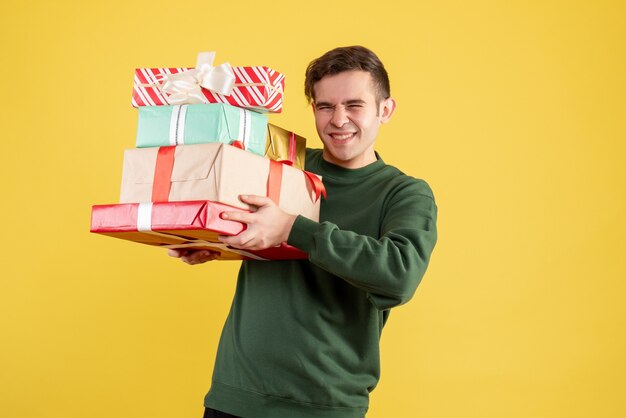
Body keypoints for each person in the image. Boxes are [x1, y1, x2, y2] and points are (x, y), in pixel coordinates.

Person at [169, 45, 438, 418]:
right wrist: (212, 241)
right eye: (325, 106)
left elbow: (399, 275)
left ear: (385, 110)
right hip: (235, 394)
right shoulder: (284, 165)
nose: (339, 119)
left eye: (354, 105)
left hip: (323, 404)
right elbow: (245, 222)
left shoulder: (404, 193)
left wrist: (293, 228)